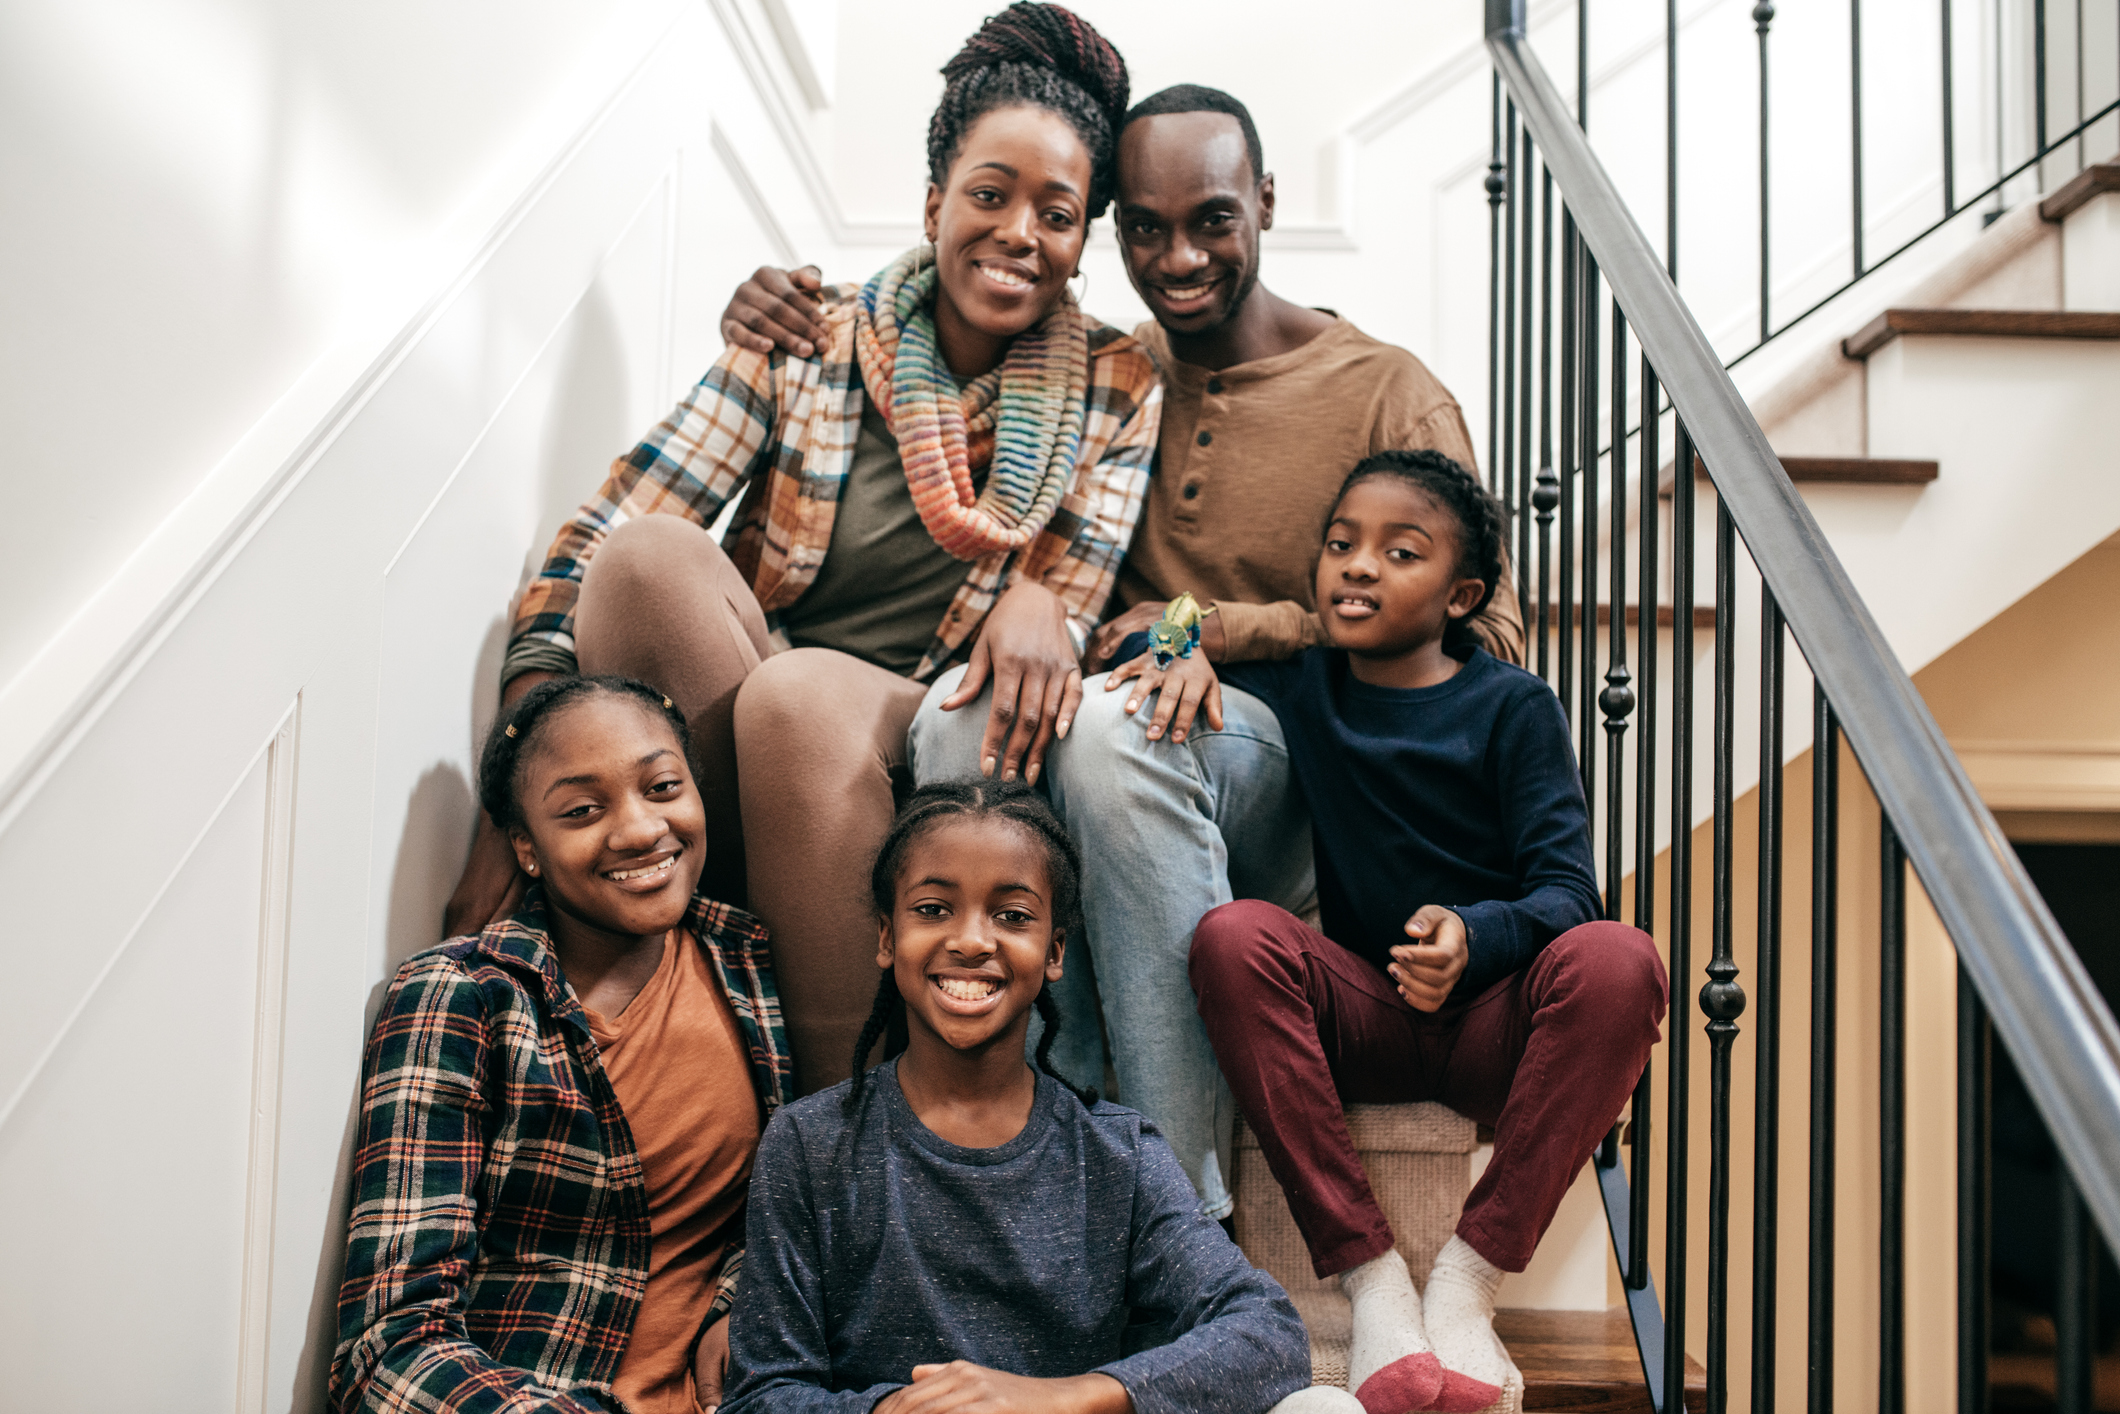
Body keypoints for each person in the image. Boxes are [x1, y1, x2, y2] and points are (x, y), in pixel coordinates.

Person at [721, 86, 1524, 1221]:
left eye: (1209, 219)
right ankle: (981, 1147)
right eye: (1141, 227)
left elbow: (1483, 634)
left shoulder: (1385, 389)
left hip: (1288, 767)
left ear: (1266, 206)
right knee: (958, 718)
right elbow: (922, 332)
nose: (1175, 254)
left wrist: (1213, 630)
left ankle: (1177, 1211)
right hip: (1108, 729)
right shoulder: (1107, 371)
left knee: (1115, 724)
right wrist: (777, 303)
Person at [444, 3, 1161, 1099]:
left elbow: (1073, 587)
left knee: (798, 699)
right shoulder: (811, 332)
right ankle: (690, 959)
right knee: (644, 559)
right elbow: (604, 526)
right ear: (934, 203)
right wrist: (517, 770)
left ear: (1079, 240)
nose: (1019, 232)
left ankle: (842, 1121)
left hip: (913, 725)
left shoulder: (1120, 384)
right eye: (989, 194)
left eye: (1055, 214)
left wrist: (1045, 604)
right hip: (738, 723)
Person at [1185, 452, 1668, 1414]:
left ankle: (1466, 1283)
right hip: (1366, 1015)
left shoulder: (1512, 706)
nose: (1359, 567)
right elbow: (1148, 644)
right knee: (1233, 936)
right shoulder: (1302, 688)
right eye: (1341, 545)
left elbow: (1569, 890)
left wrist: (1475, 936)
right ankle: (1371, 1282)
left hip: (1496, 1022)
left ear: (1462, 595)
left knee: (1623, 958)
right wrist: (1187, 644)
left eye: (1399, 553)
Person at [720, 780, 1316, 1414]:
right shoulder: (810, 1145)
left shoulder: (1118, 1154)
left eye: (1013, 916)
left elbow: (1270, 1335)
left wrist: (1059, 1399)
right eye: (932, 909)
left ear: (1054, 951)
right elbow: (761, 1394)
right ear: (887, 938)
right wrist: (895, 1410)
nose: (973, 941)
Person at [333, 676, 791, 1414]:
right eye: (582, 810)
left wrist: (742, 1301)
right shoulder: (461, 998)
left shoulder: (746, 959)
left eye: (663, 786)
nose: (641, 829)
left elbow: (777, 1207)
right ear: (527, 848)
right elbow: (386, 1349)